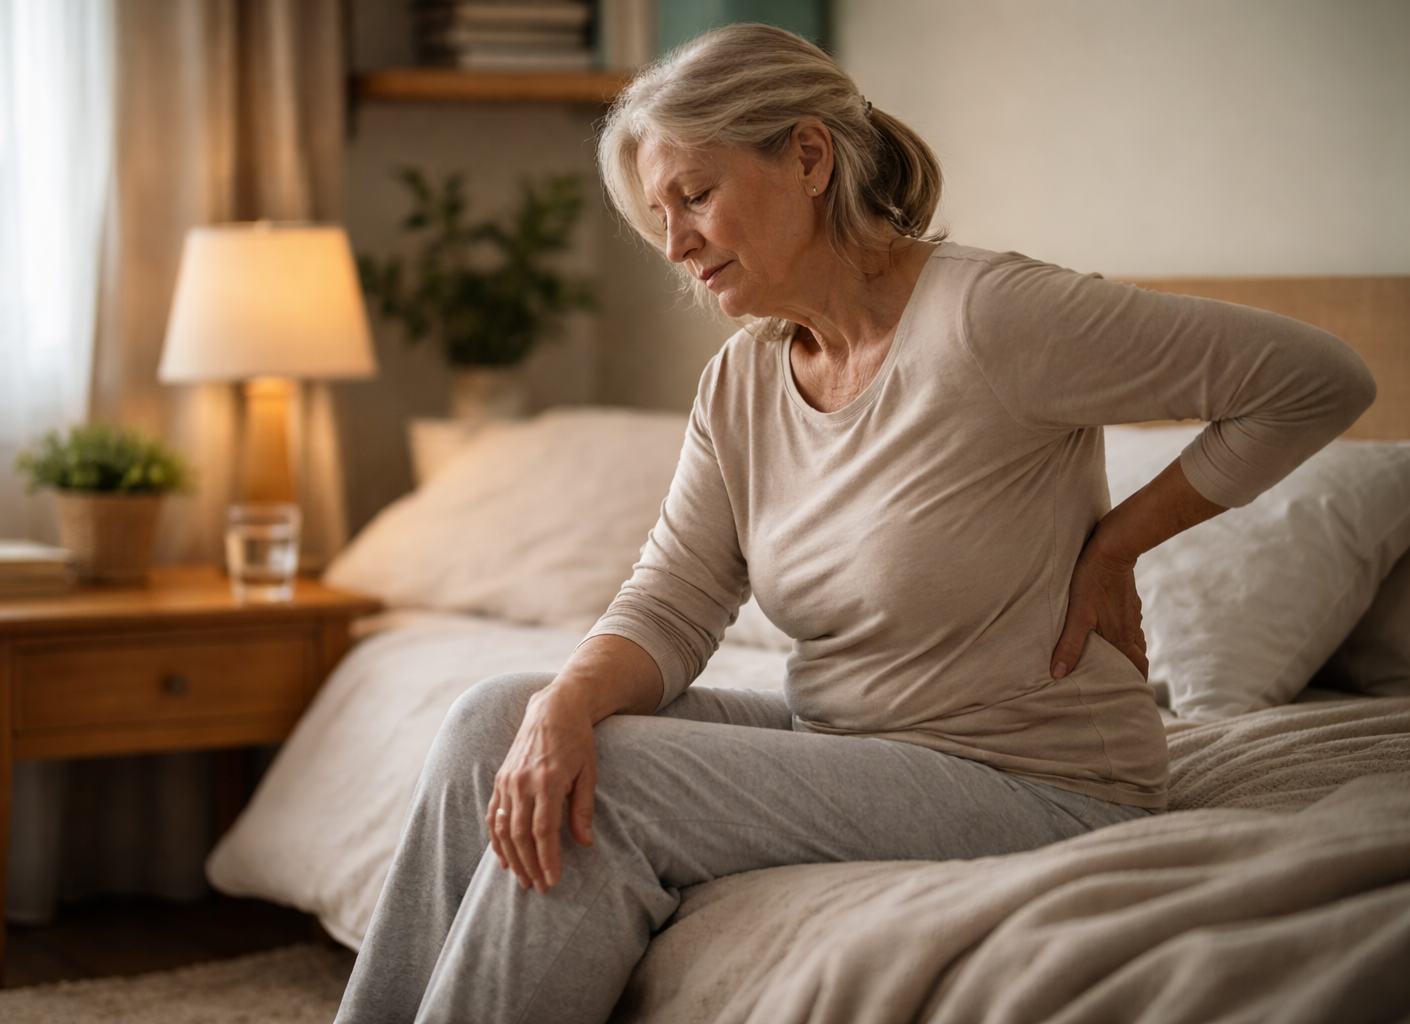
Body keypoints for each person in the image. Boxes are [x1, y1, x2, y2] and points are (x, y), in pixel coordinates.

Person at [335, 23, 1374, 1024]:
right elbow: (674, 600)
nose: (676, 244)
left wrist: (1120, 539)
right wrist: (563, 701)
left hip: (1040, 780)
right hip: (847, 742)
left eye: (695, 196)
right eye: (660, 216)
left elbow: (1315, 380)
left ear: (809, 157)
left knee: (605, 790)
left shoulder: (993, 319)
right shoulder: (742, 380)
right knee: (492, 723)